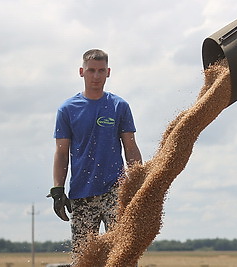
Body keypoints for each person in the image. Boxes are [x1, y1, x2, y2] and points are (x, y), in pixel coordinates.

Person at [48, 49, 142, 255]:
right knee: (84, 257)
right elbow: (61, 153)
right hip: (82, 193)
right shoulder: (68, 109)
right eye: (91, 71)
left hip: (116, 191)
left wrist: (138, 182)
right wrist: (57, 190)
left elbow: (131, 147)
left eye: (101, 71)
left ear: (108, 72)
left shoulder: (119, 106)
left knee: (123, 252)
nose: (96, 76)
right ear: (81, 72)